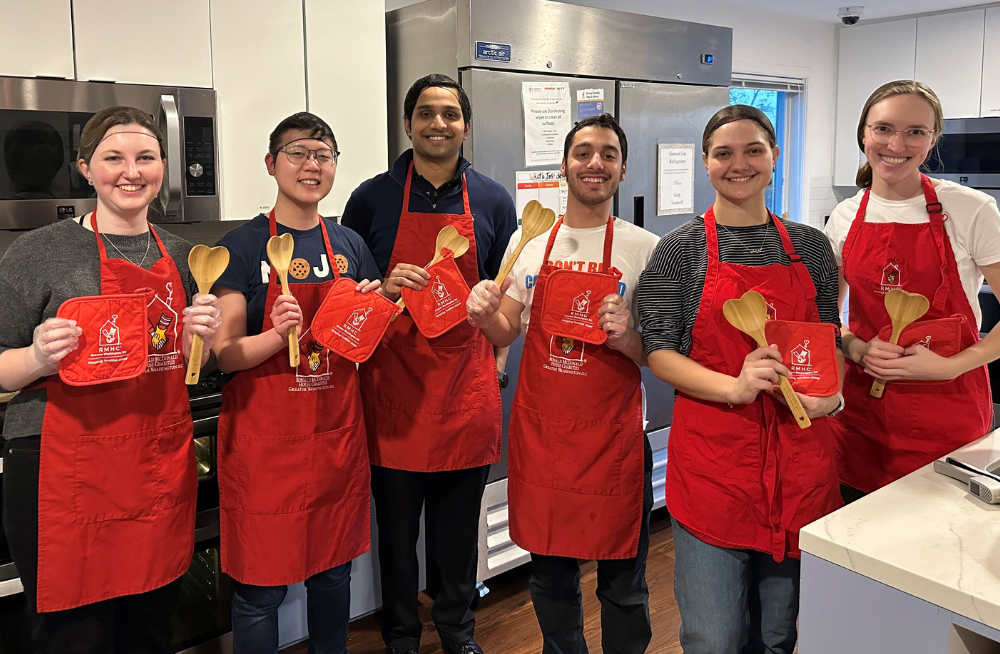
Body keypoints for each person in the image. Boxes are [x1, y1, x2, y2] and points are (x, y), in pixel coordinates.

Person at [0, 105, 220, 653]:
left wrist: (203, 340)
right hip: (64, 466)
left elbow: (188, 364)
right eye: (113, 158)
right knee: (76, 638)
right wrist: (36, 357)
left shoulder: (185, 256)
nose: (131, 171)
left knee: (150, 627)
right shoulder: (38, 251)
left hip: (156, 462)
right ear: (85, 167)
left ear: (163, 166)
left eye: (146, 157)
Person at [638, 105, 843, 653]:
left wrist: (833, 395)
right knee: (715, 635)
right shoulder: (679, 251)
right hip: (715, 469)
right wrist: (733, 385)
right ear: (706, 163)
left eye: (754, 150)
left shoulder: (812, 247)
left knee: (777, 635)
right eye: (724, 153)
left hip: (799, 467)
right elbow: (659, 353)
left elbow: (829, 339)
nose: (739, 163)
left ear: (774, 158)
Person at [465, 113, 658, 654]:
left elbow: (662, 355)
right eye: (583, 153)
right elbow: (507, 325)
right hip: (544, 440)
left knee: (623, 584)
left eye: (608, 154)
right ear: (564, 165)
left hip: (614, 440)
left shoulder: (646, 248)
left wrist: (624, 338)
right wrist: (483, 314)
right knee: (550, 580)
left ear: (623, 169)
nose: (595, 163)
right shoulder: (530, 243)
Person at [341, 74, 516, 654]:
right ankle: (400, 637)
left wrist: (496, 356)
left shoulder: (492, 199)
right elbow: (351, 299)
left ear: (466, 124)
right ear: (409, 123)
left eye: (450, 113)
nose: (438, 123)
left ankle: (459, 633)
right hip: (393, 390)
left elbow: (503, 302)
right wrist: (384, 290)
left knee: (456, 534)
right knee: (395, 535)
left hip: (464, 388)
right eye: (425, 113)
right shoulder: (371, 197)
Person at [212, 112, 382, 654]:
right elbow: (225, 355)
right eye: (299, 152)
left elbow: (365, 345)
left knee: (332, 576)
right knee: (259, 588)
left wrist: (376, 311)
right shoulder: (239, 248)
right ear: (271, 164)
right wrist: (277, 333)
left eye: (324, 155)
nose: (312, 165)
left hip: (334, 436)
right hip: (264, 447)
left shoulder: (349, 245)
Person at [825, 80, 1000, 500]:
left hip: (948, 414)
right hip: (862, 415)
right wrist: (855, 347)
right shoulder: (846, 216)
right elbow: (827, 315)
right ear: (864, 134)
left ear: (932, 139)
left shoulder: (972, 209)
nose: (896, 143)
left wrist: (951, 366)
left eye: (915, 132)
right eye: (883, 128)